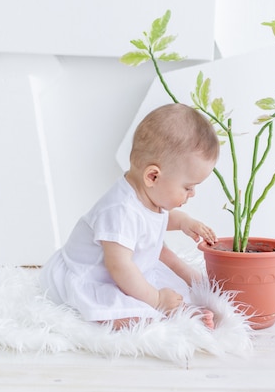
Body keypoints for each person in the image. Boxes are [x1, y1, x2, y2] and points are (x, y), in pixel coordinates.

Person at [40, 103, 220, 330]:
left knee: (170, 288)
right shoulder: (119, 211)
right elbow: (119, 267)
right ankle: (160, 317)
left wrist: (184, 222)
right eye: (188, 187)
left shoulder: (150, 198)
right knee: (129, 310)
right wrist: (156, 300)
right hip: (93, 276)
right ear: (153, 176)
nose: (192, 194)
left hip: (129, 270)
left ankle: (175, 309)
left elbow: (155, 231)